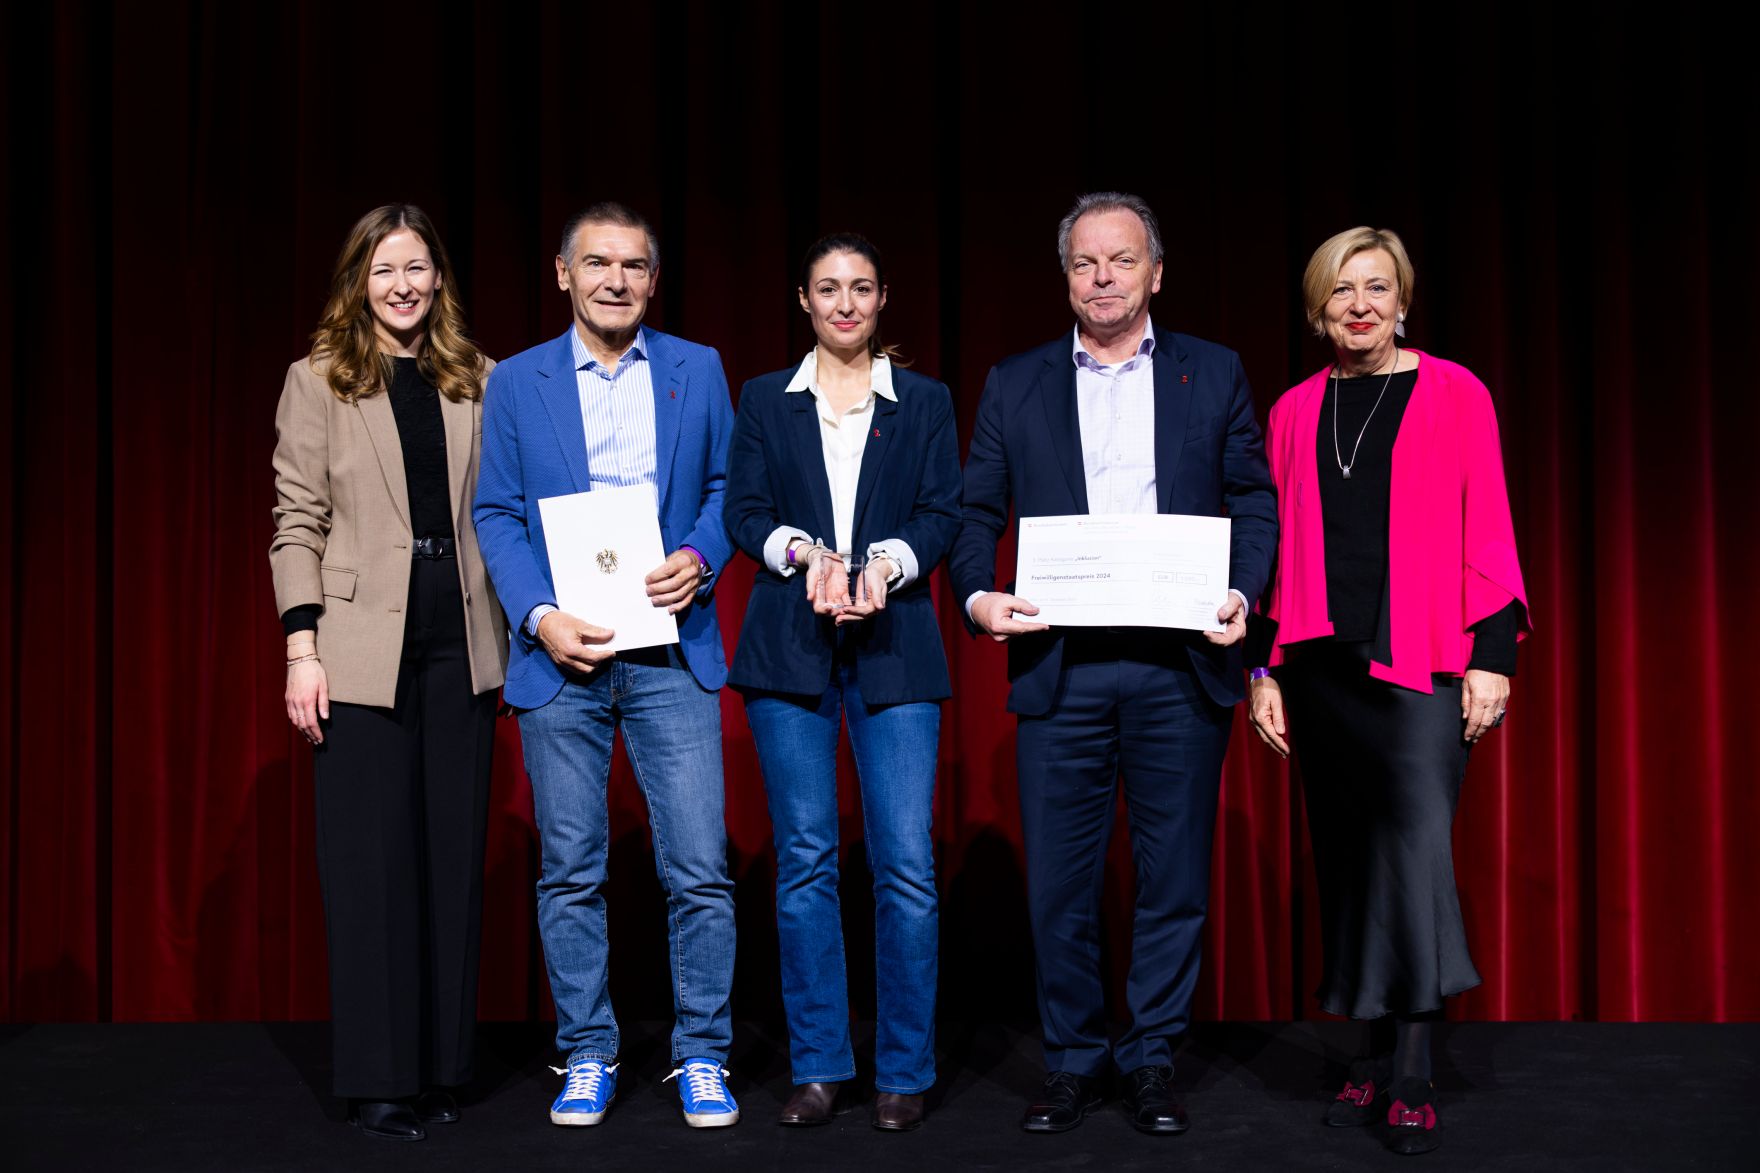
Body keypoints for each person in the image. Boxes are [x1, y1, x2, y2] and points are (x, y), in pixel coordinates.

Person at [949, 192, 1278, 1135]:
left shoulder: (1212, 374)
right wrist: (978, 598)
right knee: (1059, 882)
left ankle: (1152, 1057)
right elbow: (976, 515)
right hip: (1064, 666)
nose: (1103, 277)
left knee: (1172, 878)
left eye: (1121, 261)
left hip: (1182, 667)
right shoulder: (1015, 382)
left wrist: (1243, 595)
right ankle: (1072, 1059)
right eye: (1087, 263)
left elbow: (1254, 497)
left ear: (1155, 273)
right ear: (1067, 278)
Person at [1245, 226, 1530, 1156]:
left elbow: (1487, 523)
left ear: (1401, 299)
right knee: (1345, 864)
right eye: (1341, 291)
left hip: (1421, 666)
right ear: (1319, 309)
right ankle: (1363, 1055)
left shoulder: (1456, 393)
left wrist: (1494, 657)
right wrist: (1264, 671)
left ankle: (1413, 1067)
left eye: (1376, 287)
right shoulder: (1293, 410)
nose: (1359, 305)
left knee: (1411, 859)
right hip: (1320, 669)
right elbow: (1276, 553)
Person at [472, 201, 741, 1130]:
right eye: (597, 263)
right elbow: (497, 513)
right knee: (570, 871)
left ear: (652, 281)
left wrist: (701, 556)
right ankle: (587, 1050)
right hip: (566, 656)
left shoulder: (698, 369)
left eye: (632, 266)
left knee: (700, 867)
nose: (615, 280)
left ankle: (703, 1053)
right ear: (563, 274)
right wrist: (539, 617)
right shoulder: (515, 382)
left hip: (670, 650)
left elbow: (725, 493)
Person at [270, 204, 506, 1142]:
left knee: (452, 864)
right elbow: (296, 520)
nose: (402, 285)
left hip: (464, 647)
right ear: (357, 283)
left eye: (416, 268)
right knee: (372, 869)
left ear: (438, 277)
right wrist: (302, 648)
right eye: (383, 272)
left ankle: (443, 1069)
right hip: (360, 650)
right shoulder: (317, 379)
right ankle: (379, 1077)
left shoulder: (479, 379)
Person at [724, 234, 961, 1132]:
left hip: (896, 649)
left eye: (861, 288)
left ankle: (903, 1070)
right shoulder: (763, 401)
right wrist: (806, 556)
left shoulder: (926, 402)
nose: (846, 303)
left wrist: (886, 566)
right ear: (804, 300)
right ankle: (821, 1065)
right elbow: (743, 510)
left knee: (904, 864)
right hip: (789, 649)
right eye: (829, 289)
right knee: (806, 863)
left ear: (884, 298)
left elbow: (943, 510)